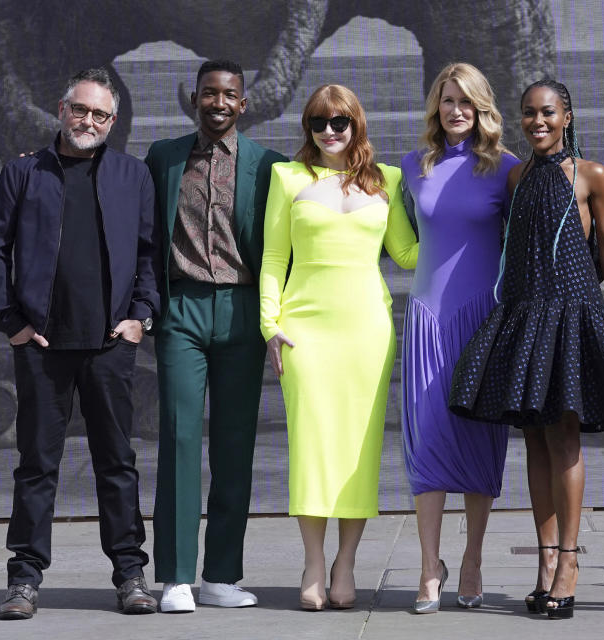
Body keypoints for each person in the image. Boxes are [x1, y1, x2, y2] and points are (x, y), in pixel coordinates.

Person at [450, 79, 604, 620]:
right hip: (525, 312)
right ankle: (545, 560)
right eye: (529, 113)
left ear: (568, 116)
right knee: (533, 437)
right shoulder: (517, 176)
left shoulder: (591, 175)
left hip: (574, 314)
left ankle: (570, 564)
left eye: (548, 113)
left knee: (564, 436)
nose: (538, 121)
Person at [0, 68, 161, 619]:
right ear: (61, 110)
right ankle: (24, 580)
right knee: (36, 464)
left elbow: (150, 255)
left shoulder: (133, 175)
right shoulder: (23, 173)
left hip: (110, 344)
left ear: (113, 121)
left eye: (100, 114)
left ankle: (131, 575)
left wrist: (140, 318)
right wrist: (11, 320)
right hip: (40, 345)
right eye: (80, 110)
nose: (88, 121)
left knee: (117, 462)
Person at [259, 84, 419, 611]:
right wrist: (269, 325)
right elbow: (272, 259)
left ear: (357, 124)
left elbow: (406, 254)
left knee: (358, 451)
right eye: (318, 122)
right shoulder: (287, 177)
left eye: (340, 122)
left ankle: (345, 563)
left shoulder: (388, 181)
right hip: (304, 329)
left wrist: (472, 225)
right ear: (307, 127)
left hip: (367, 332)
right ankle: (311, 562)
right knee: (312, 446)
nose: (329, 131)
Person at [144, 59, 287, 613]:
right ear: (195, 99)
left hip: (242, 310)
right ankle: (177, 575)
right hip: (181, 308)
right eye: (209, 93)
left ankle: (222, 575)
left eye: (229, 94)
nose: (218, 103)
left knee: (234, 447)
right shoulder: (164, 157)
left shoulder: (267, 165)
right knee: (179, 440)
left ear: (243, 103)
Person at [399, 62, 519, 613]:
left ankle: (470, 560)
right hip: (426, 320)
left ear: (481, 108)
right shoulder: (411, 168)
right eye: (447, 101)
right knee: (427, 444)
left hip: (481, 324)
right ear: (436, 106)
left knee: (478, 443)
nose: (455, 111)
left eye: (466, 102)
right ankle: (429, 570)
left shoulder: (507, 169)